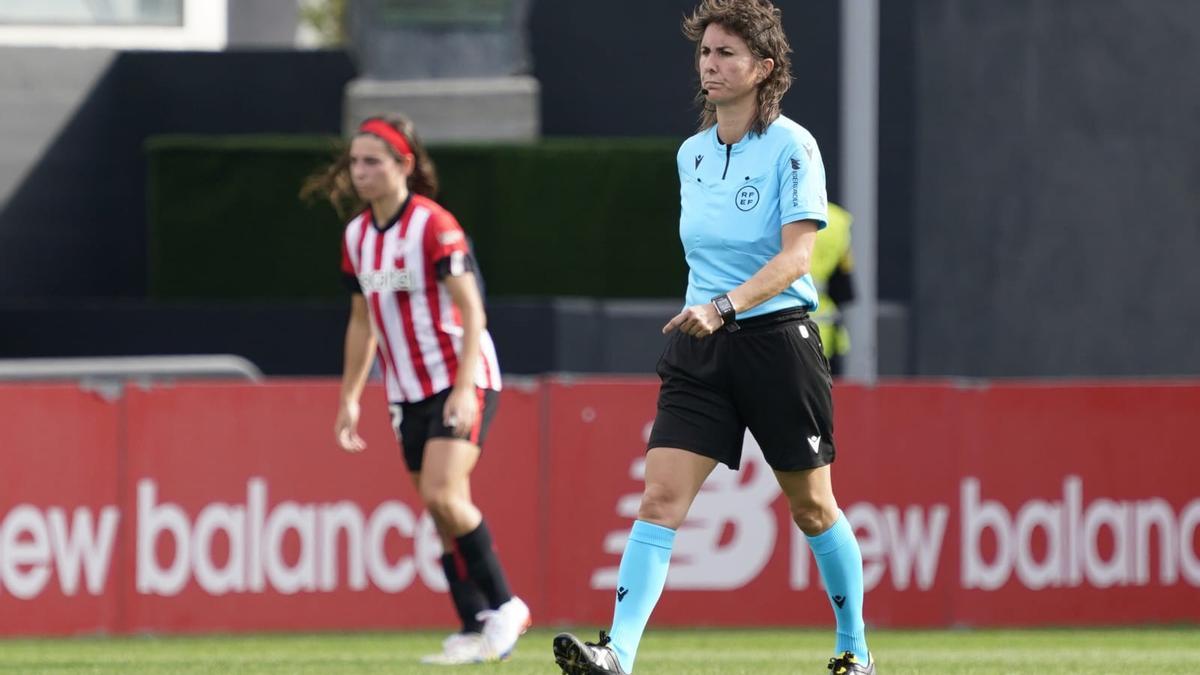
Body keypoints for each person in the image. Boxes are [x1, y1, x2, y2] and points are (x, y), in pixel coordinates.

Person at [551, 1, 875, 674]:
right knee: (659, 498)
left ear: (764, 67)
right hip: (700, 348)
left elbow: (794, 259)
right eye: (706, 52)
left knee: (813, 506)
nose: (711, 63)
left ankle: (855, 651)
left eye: (728, 52)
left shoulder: (794, 146)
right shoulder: (691, 155)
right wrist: (711, 313)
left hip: (777, 342)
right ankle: (618, 654)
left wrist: (725, 306)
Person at [303, 114, 530, 665]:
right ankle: (472, 623)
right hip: (405, 390)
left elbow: (472, 310)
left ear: (403, 165)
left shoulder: (432, 225)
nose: (360, 172)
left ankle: (506, 606)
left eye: (372, 161)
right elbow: (362, 321)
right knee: (439, 510)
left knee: (442, 494)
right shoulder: (356, 236)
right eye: (355, 162)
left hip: (461, 377)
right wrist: (351, 396)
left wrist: (460, 387)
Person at [810, 202, 855, 376]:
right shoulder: (836, 220)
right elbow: (844, 289)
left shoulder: (767, 211)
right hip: (824, 333)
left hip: (771, 332)